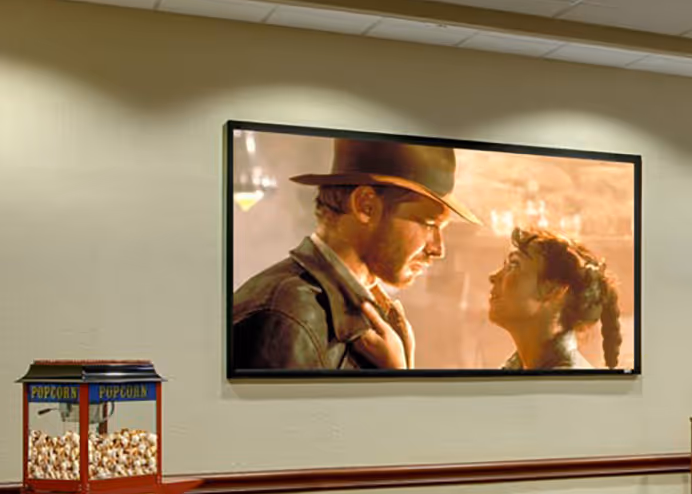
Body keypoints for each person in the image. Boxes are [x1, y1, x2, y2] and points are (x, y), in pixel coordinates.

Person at [230, 138, 480, 370]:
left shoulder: (361, 310)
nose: (438, 249)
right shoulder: (287, 319)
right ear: (366, 206)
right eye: (428, 223)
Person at [488, 226, 623, 371]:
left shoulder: (569, 385)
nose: (493, 276)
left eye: (514, 265)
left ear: (553, 290)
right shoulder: (516, 369)